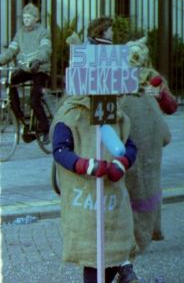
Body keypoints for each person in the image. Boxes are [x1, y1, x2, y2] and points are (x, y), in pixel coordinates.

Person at [51, 93, 139, 283]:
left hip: (113, 202)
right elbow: (60, 150)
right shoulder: (72, 115)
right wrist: (85, 165)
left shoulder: (116, 115)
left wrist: (123, 162)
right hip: (86, 203)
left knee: (114, 249)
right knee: (93, 257)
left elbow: (130, 145)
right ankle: (120, 269)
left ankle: (122, 266)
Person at [118, 38, 175, 255]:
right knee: (130, 184)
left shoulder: (152, 77)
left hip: (149, 137)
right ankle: (131, 232)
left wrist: (159, 95)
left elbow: (171, 106)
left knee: (149, 184)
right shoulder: (119, 76)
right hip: (128, 135)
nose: (135, 59)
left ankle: (149, 229)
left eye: (138, 54)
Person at [0, 3, 52, 142]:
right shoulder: (20, 33)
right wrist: (1, 60)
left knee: (34, 100)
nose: (26, 20)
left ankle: (46, 129)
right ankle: (22, 120)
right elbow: (11, 51)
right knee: (10, 82)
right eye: (24, 18)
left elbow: (45, 49)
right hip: (26, 69)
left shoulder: (43, 32)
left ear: (36, 18)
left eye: (28, 17)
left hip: (39, 69)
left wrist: (37, 60)